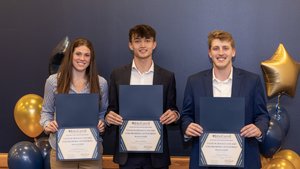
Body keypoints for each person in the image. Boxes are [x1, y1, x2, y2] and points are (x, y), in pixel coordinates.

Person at [180, 30, 270, 169]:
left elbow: (262, 116)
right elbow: (186, 115)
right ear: (210, 53)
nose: (221, 53)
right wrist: (187, 127)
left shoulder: (252, 81)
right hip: (205, 161)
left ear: (233, 52)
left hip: (245, 160)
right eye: (216, 48)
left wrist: (258, 128)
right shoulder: (194, 82)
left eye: (225, 48)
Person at [105, 24, 179, 169]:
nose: (143, 45)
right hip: (127, 153)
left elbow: (173, 109)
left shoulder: (167, 77)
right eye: (137, 41)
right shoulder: (117, 75)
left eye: (147, 40)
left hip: (156, 155)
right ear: (130, 45)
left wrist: (174, 115)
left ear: (154, 44)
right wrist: (109, 117)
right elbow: (111, 109)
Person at [40, 38, 108, 169]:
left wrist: (101, 123)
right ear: (70, 55)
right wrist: (47, 124)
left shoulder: (101, 83)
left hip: (91, 152)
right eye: (78, 54)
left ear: (91, 58)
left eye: (87, 55)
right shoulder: (53, 81)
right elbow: (46, 112)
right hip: (61, 151)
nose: (82, 58)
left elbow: (102, 113)